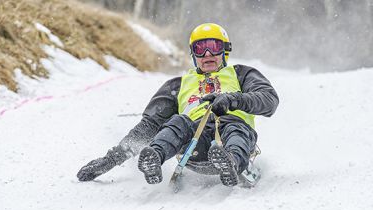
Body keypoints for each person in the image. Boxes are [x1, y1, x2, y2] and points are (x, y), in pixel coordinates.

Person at [77, 23, 279, 187]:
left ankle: (231, 163)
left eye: (214, 47)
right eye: (200, 49)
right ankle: (154, 157)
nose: (207, 54)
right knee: (178, 122)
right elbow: (149, 126)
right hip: (193, 147)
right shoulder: (178, 85)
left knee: (234, 127)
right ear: (193, 54)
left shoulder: (241, 74)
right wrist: (111, 159)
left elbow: (269, 100)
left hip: (231, 135)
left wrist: (233, 99)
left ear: (225, 50)